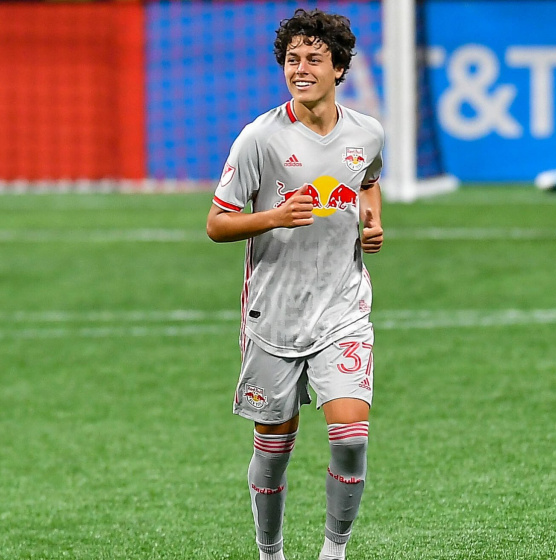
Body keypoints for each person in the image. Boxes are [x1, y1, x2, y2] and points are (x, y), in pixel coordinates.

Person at [205, 8, 384, 560]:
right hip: (274, 315)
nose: (300, 69)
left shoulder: (367, 133)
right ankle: (271, 552)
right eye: (291, 59)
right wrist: (274, 218)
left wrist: (373, 220)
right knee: (274, 450)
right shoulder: (259, 138)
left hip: (343, 308)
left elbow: (368, 181)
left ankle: (334, 552)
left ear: (339, 68)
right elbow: (217, 224)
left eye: (313, 59)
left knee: (351, 439)